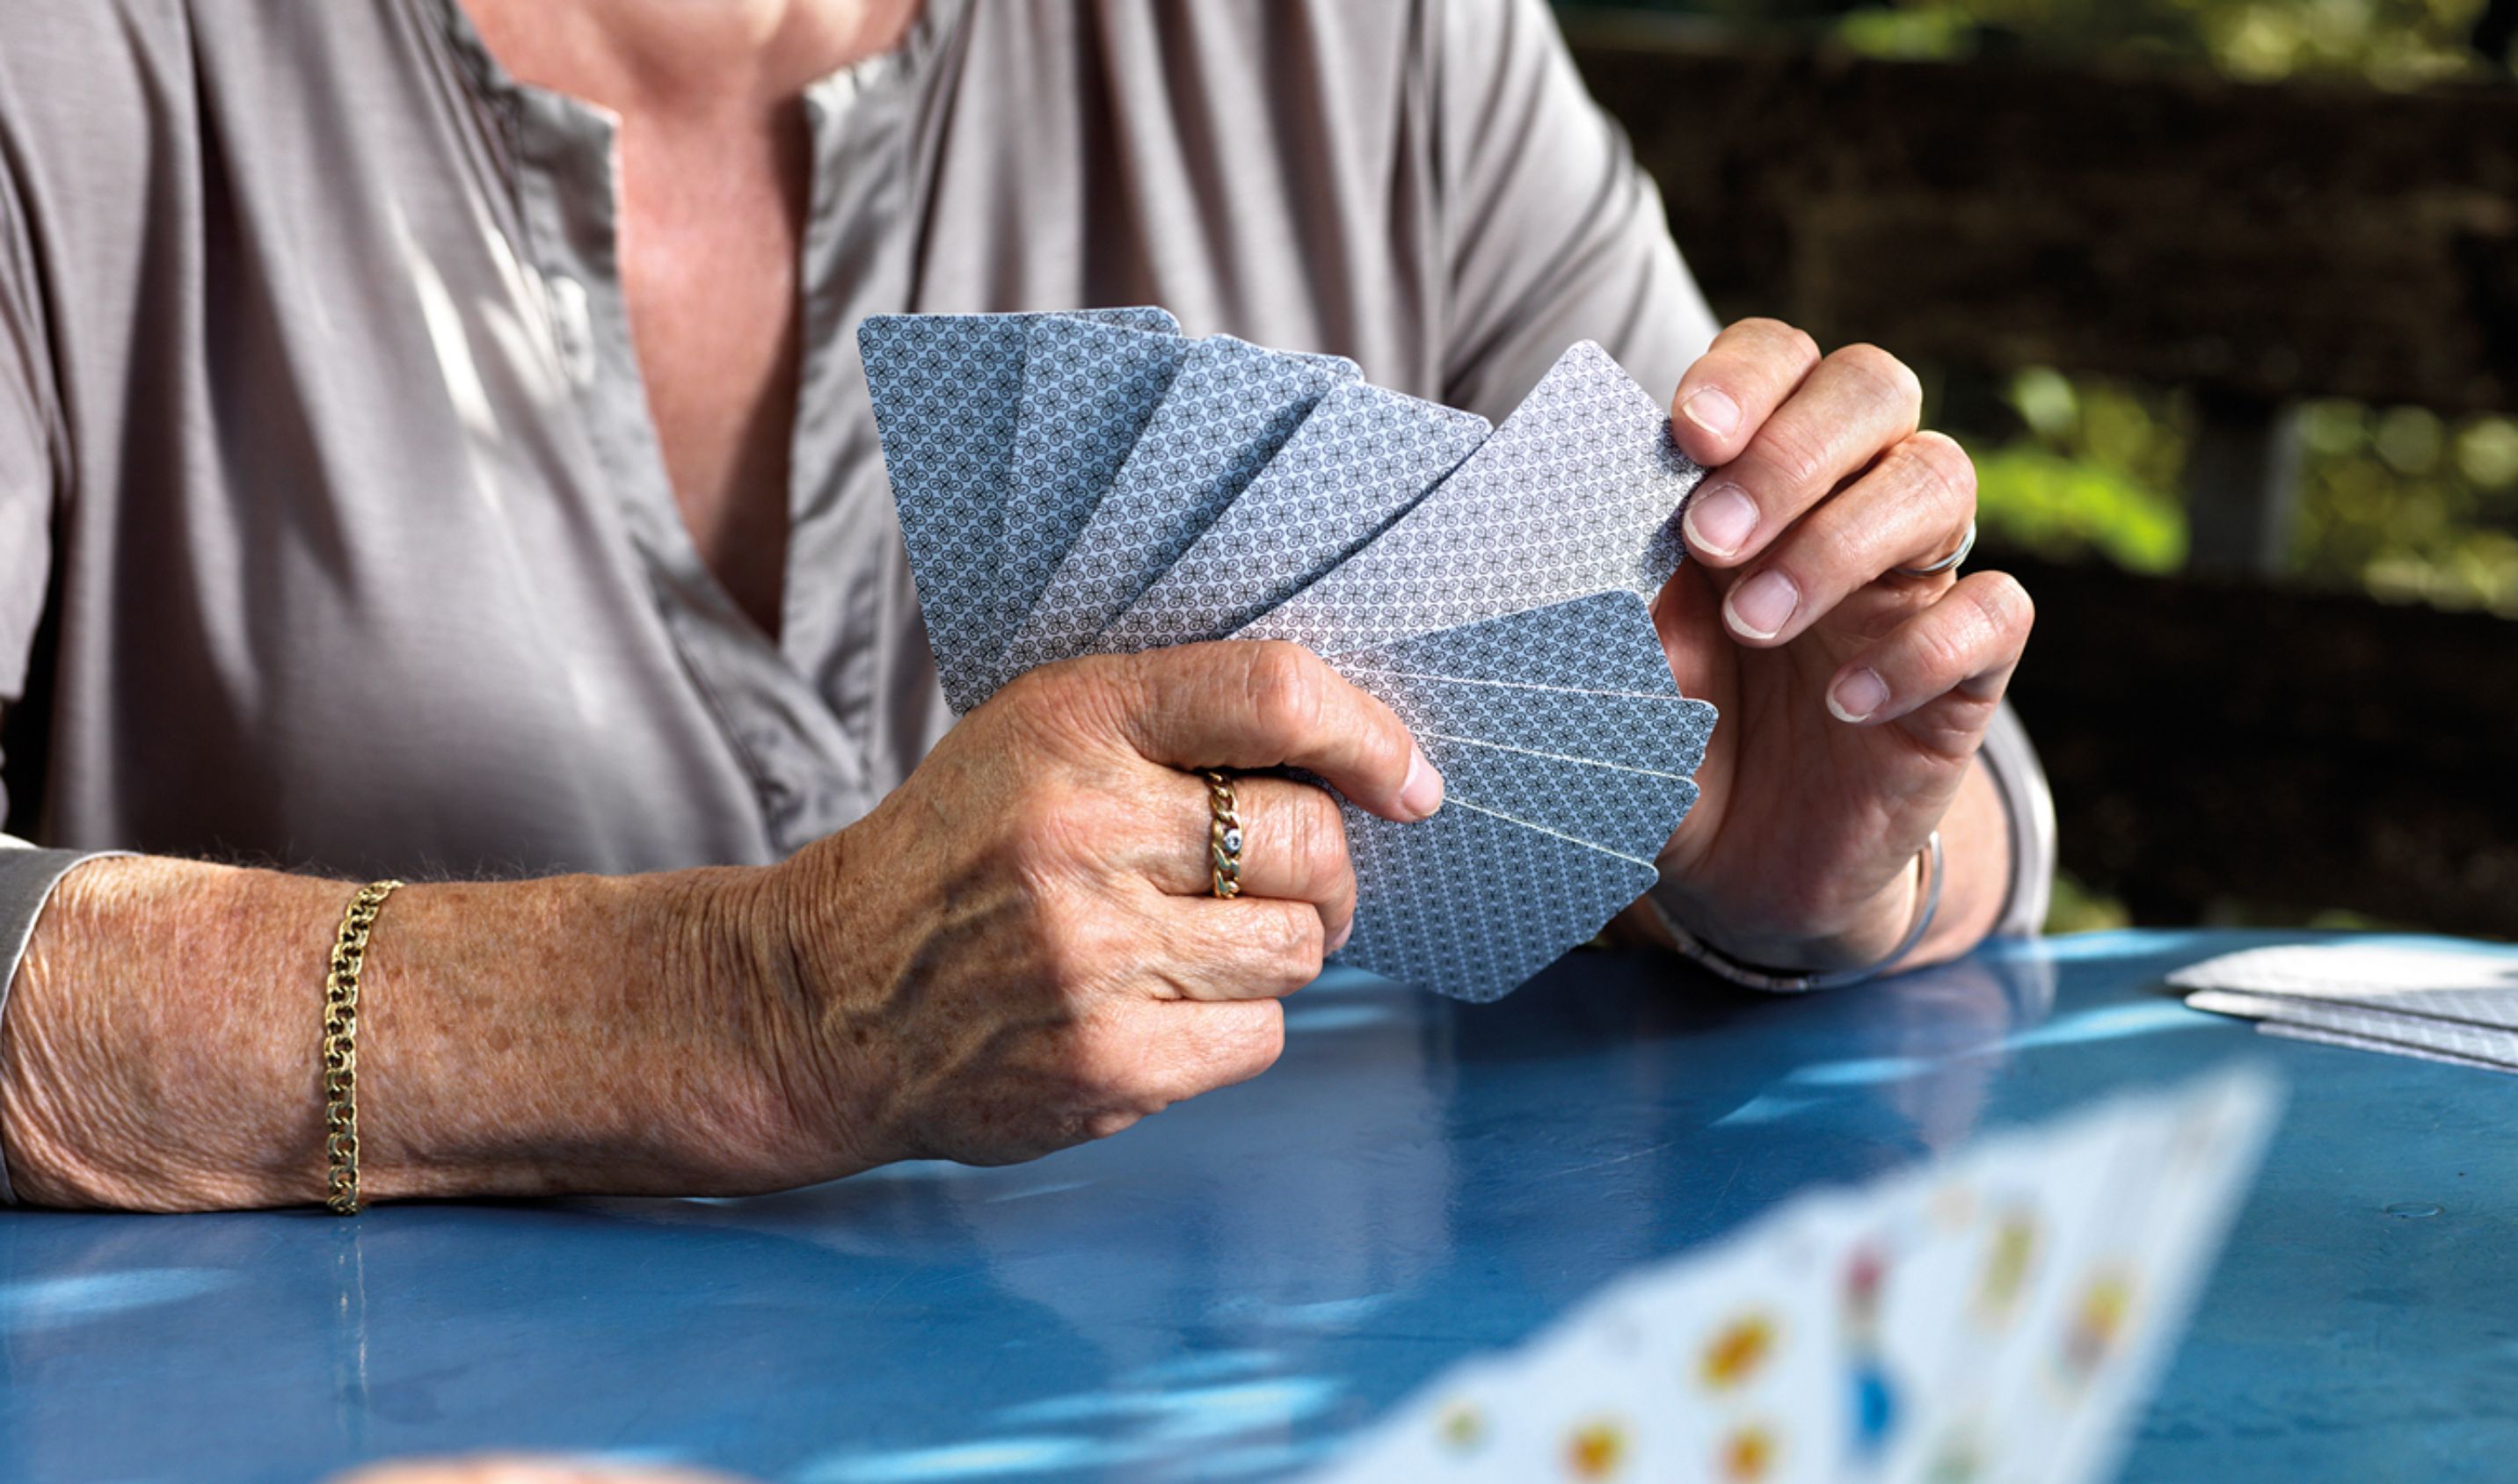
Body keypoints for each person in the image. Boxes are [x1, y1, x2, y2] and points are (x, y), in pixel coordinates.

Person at [0, 0, 2049, 1211]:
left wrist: (1788, 865)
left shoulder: (1372, 40)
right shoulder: (76, 61)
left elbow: (1945, 823)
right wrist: (750, 1004)